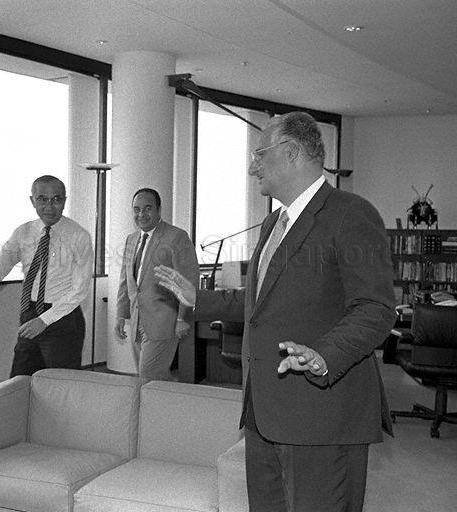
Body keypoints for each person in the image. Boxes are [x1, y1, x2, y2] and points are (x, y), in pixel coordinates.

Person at [155, 112, 395, 512]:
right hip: (262, 411)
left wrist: (324, 355)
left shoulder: (351, 213)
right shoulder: (271, 224)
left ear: (291, 152)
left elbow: (375, 308)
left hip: (322, 413)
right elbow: (261, 302)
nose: (252, 167)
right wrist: (201, 300)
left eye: (259, 155)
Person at [0, 175, 93, 377]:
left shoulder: (79, 236)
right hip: (30, 313)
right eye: (42, 199)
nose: (49, 206)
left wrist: (44, 320)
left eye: (56, 199)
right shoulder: (23, 232)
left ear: (64, 201)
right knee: (20, 381)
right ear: (32, 201)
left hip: (63, 317)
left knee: (60, 386)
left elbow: (80, 289)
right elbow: (1, 263)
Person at [115, 188, 199, 382]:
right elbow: (126, 281)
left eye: (147, 208)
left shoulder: (176, 237)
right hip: (137, 320)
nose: (141, 214)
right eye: (136, 209)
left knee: (149, 376)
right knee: (154, 377)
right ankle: (169, 407)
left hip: (164, 321)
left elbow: (190, 280)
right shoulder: (131, 239)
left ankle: (156, 410)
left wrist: (183, 318)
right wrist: (121, 314)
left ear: (159, 210)